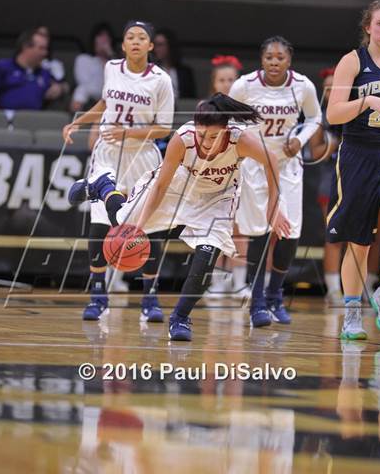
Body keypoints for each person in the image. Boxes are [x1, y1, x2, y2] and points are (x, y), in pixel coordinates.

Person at [68, 93, 290, 341]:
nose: (207, 142)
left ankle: (180, 318)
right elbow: (161, 187)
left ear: (226, 130)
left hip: (217, 197)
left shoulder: (241, 140)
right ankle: (104, 186)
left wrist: (274, 207)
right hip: (178, 186)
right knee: (123, 222)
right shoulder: (182, 140)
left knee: (207, 258)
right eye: (202, 135)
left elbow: (271, 162)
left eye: (214, 136)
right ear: (195, 127)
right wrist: (138, 228)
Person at [63, 20, 174, 322]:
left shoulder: (161, 80)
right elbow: (104, 102)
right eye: (130, 37)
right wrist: (79, 121)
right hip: (108, 154)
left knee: (147, 228)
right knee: (99, 226)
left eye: (142, 38)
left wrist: (130, 134)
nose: (135, 41)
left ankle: (149, 298)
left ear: (151, 46)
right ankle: (99, 296)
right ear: (123, 44)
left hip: (142, 157)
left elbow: (164, 128)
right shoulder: (111, 67)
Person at [230, 36, 322, 326]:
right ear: (262, 59)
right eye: (269, 57)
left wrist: (299, 139)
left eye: (279, 57)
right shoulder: (244, 86)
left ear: (289, 59)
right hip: (256, 164)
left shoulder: (303, 86)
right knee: (258, 232)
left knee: (289, 233)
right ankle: (256, 302)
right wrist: (248, 145)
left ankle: (274, 295)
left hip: (287, 163)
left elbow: (315, 118)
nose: (274, 62)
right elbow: (229, 120)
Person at [326, 0, 380, 339]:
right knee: (359, 242)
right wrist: (366, 101)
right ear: (368, 27)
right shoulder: (353, 62)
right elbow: (333, 114)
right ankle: (352, 312)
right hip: (358, 155)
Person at [202, 55, 250, 299]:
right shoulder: (206, 109)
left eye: (231, 79)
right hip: (214, 175)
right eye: (222, 80)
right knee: (216, 228)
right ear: (214, 83)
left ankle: (240, 282)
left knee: (240, 230)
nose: (227, 84)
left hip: (243, 174)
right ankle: (218, 280)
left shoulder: (246, 109)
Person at [309, 67, 343, 305]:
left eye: (335, 87)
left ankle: (363, 288)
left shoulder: (354, 112)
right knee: (334, 235)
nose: (330, 92)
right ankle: (333, 290)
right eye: (327, 88)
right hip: (329, 182)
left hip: (356, 180)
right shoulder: (319, 117)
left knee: (361, 239)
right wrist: (334, 142)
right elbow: (315, 153)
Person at [0, 28, 64, 111]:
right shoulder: (2, 67)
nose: (45, 53)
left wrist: (59, 88)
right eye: (41, 48)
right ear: (26, 47)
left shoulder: (44, 72)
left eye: (46, 49)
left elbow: (62, 86)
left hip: (36, 120)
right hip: (7, 118)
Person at [71, 22, 117, 112]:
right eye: (100, 36)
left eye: (107, 37)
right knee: (81, 90)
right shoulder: (83, 59)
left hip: (111, 101)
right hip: (89, 100)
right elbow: (84, 83)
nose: (104, 40)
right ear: (94, 39)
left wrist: (110, 55)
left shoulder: (115, 62)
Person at [153, 28, 196, 98]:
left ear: (170, 46)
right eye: (155, 45)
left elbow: (191, 98)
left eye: (160, 45)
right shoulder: (151, 71)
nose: (156, 49)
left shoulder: (185, 72)